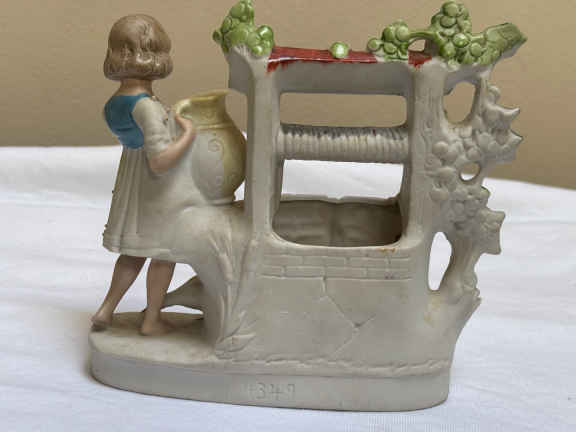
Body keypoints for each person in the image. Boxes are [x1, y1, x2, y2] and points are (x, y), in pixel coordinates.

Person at [91, 15, 196, 336]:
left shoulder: (114, 103)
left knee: (134, 251)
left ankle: (106, 309)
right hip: (154, 188)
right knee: (164, 253)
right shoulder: (146, 106)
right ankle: (151, 320)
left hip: (131, 184)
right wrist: (188, 134)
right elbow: (160, 160)